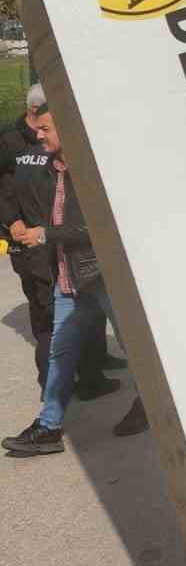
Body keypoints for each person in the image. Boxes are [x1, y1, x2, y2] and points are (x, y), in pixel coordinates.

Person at [2, 103, 146, 457]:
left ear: (69, 131)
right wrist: (18, 224)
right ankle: (48, 428)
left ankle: (156, 408)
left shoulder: (93, 173)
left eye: (46, 129)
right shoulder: (53, 168)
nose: (37, 134)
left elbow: (100, 227)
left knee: (137, 351)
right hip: (69, 276)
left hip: (102, 275)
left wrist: (45, 235)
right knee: (60, 353)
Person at [0, 83, 121, 399]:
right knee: (51, 327)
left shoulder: (56, 155)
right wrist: (13, 222)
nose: (42, 135)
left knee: (87, 317)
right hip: (36, 250)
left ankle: (92, 374)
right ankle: (52, 398)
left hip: (67, 252)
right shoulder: (18, 148)